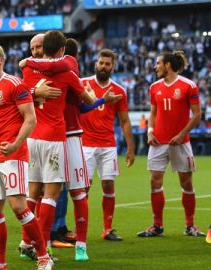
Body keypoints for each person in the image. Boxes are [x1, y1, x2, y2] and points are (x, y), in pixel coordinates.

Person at [0, 41, 53, 270]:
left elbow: (30, 118)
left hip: (13, 157)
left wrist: (15, 144)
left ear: (1, 60)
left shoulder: (15, 84)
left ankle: (44, 257)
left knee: (18, 206)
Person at [21, 30, 96, 262]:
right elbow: (88, 101)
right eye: (31, 48)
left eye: (37, 47)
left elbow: (22, 91)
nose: (34, 52)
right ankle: (54, 247)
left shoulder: (28, 67)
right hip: (61, 137)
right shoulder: (67, 68)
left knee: (35, 191)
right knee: (69, 193)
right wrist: (93, 95)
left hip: (34, 136)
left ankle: (28, 244)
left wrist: (27, 63)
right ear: (62, 49)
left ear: (43, 48)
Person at [137, 51, 204, 238]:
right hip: (158, 142)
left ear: (167, 65)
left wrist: (182, 134)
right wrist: (150, 131)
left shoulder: (188, 86)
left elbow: (197, 115)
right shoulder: (154, 87)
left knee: (187, 182)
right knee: (154, 181)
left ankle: (190, 225)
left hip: (181, 143)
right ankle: (157, 226)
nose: (155, 66)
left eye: (158, 63)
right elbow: (153, 113)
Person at [80, 49, 135, 241]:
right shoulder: (83, 83)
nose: (103, 66)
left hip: (108, 144)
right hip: (84, 144)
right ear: (96, 64)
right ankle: (81, 231)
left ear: (113, 66)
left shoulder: (119, 90)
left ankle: (107, 228)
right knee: (84, 188)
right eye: (101, 63)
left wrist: (130, 147)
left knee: (108, 184)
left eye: (107, 64)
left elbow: (125, 120)